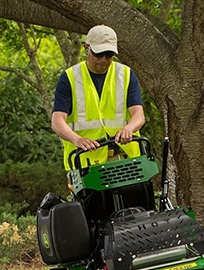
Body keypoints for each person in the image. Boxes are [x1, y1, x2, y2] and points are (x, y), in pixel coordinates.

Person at [51, 25, 145, 170]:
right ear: (86, 48)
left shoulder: (126, 74)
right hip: (85, 160)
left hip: (126, 157)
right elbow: (57, 121)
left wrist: (129, 128)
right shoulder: (69, 78)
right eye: (98, 54)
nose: (103, 59)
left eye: (109, 55)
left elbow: (138, 115)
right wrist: (78, 139)